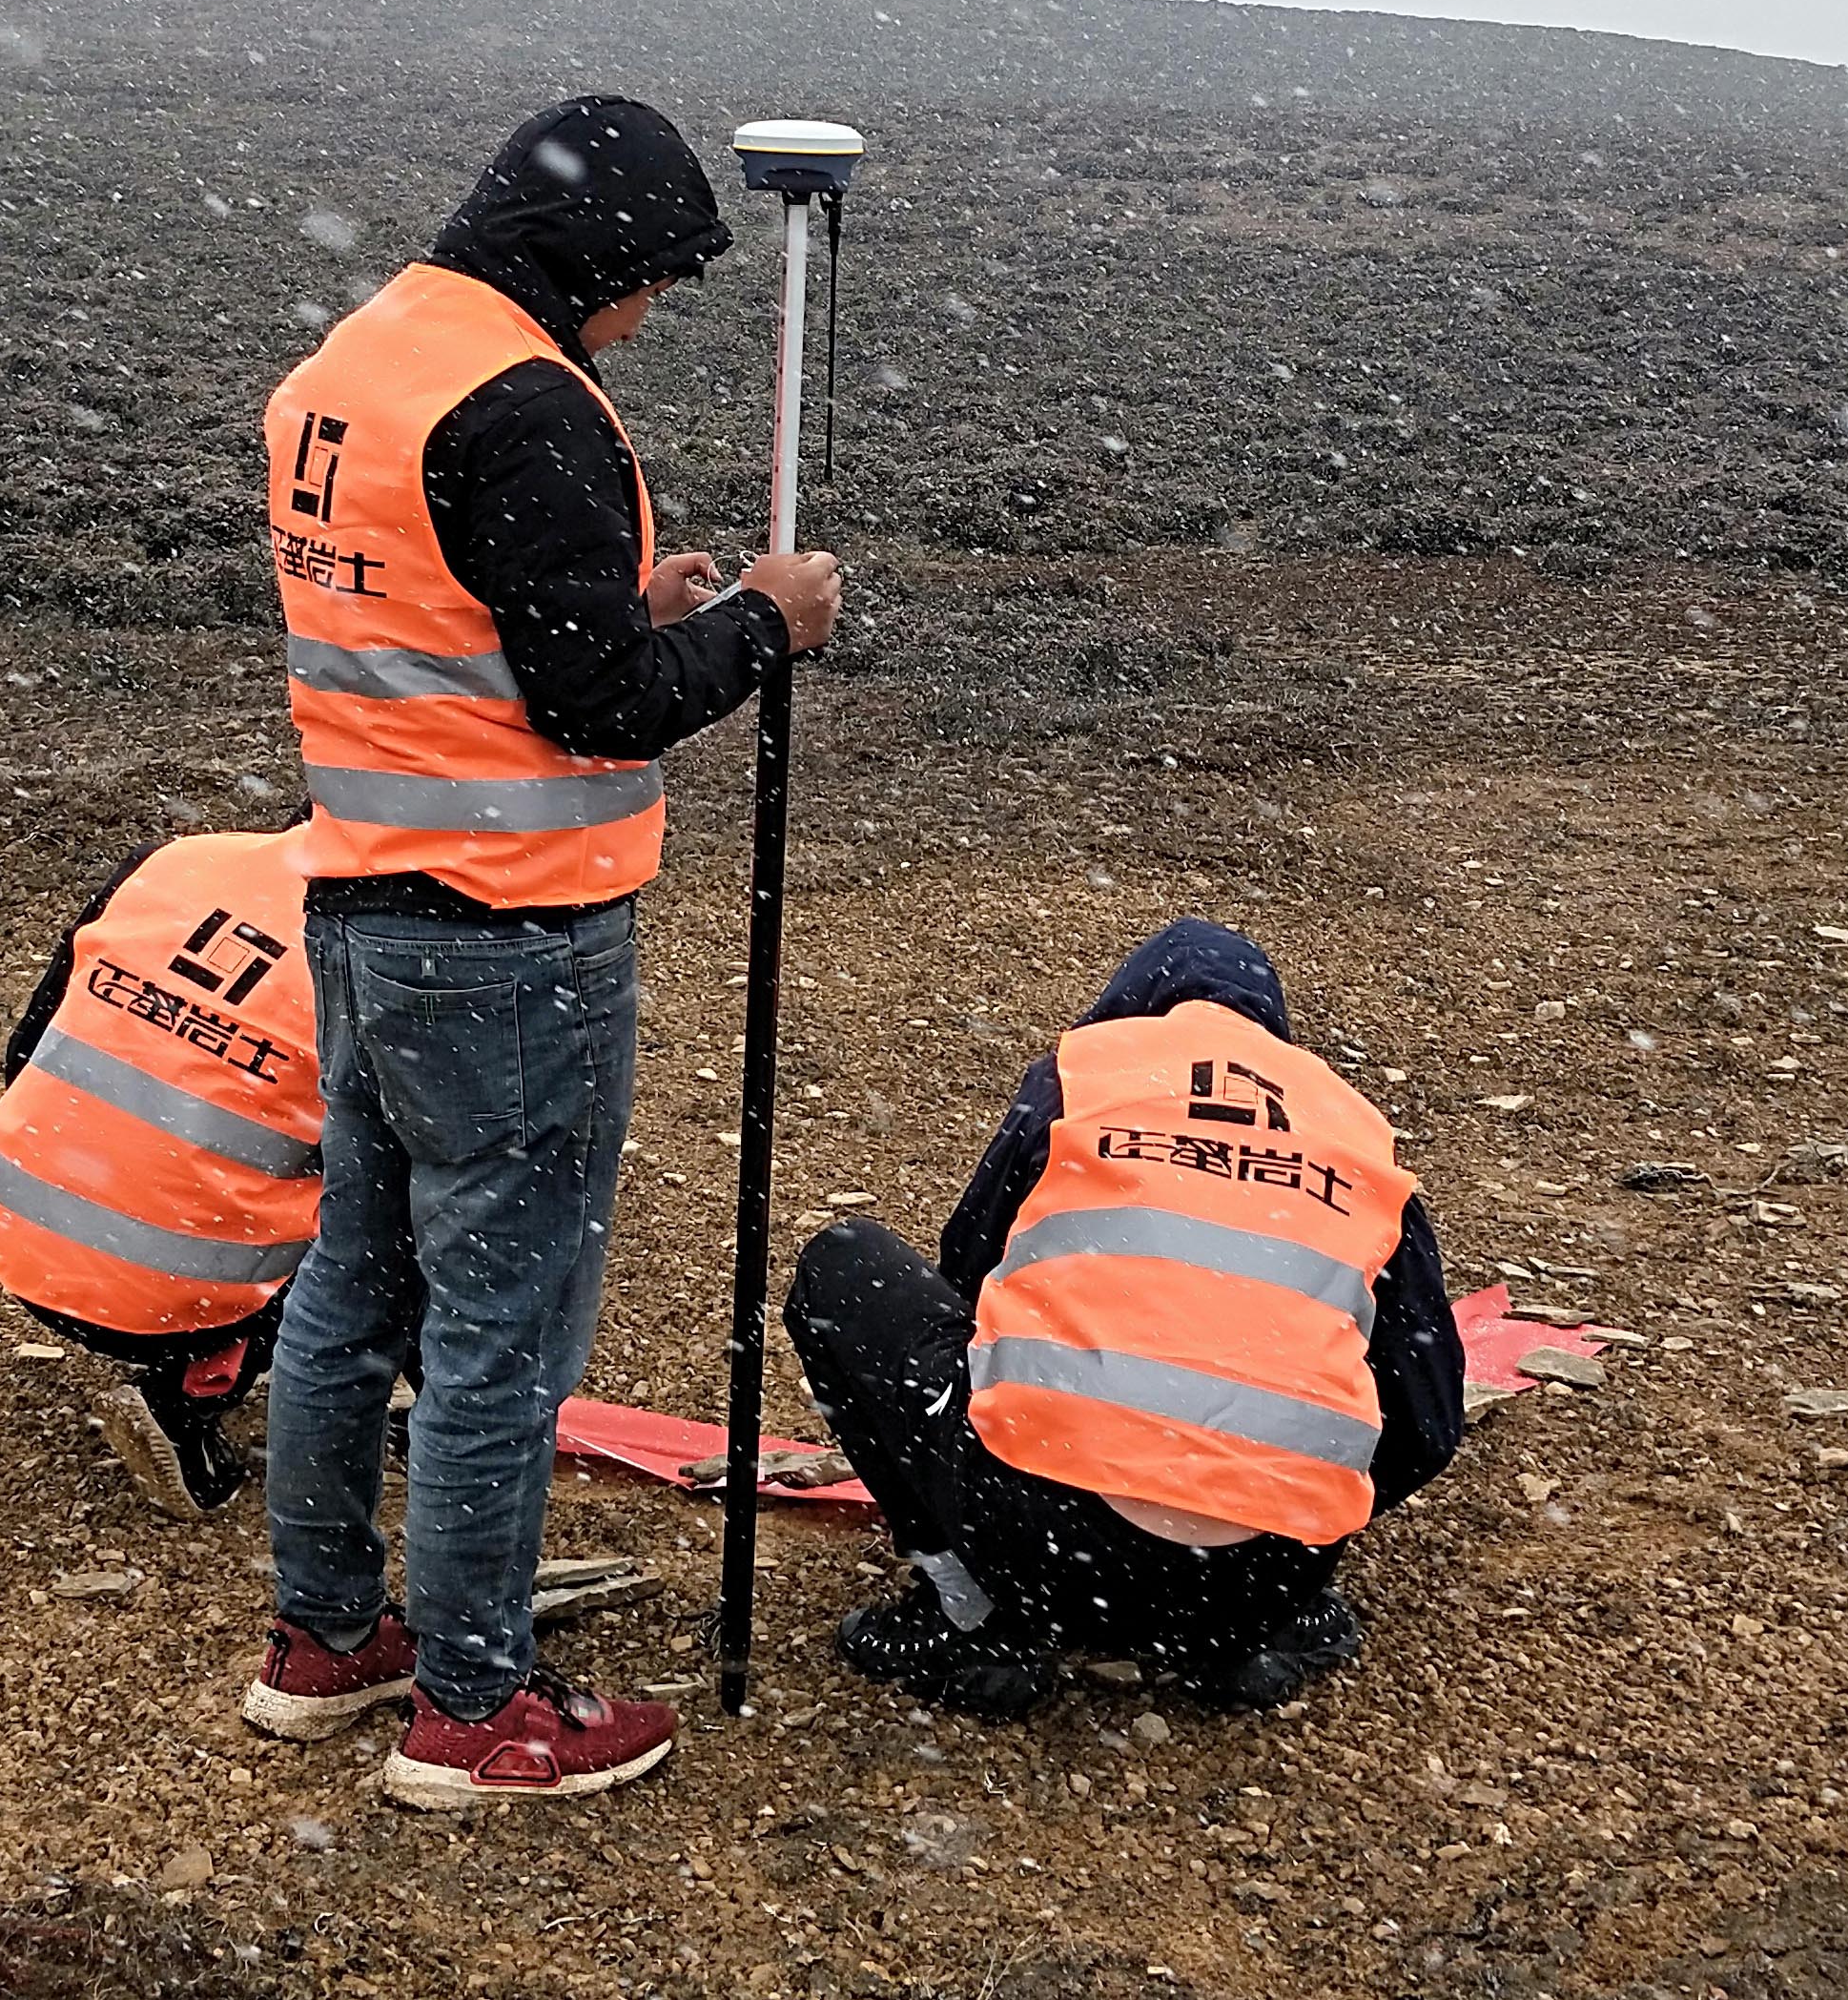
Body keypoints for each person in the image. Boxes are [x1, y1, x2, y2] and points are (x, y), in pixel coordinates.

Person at [244, 94, 842, 1807]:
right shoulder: (526, 410)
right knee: (504, 1328)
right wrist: (756, 627)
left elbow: (444, 616)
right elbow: (598, 709)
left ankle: (325, 1632)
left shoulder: (363, 361)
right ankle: (475, 1706)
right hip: (511, 939)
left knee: (351, 1291)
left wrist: (627, 598)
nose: (645, 318)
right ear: (581, 254)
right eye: (644, 281)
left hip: (363, 901)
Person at [787, 918, 1465, 1718]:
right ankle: (1238, 1639)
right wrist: (1291, 1520)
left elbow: (970, 1281)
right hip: (1261, 1576)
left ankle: (976, 1621)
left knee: (845, 1264)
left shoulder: (1085, 1080)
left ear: (1127, 1010)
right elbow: (1428, 1418)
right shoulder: (1355, 1136)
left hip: (1038, 1535)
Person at [0, 826, 326, 1515]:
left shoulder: (176, 862)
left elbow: (27, 1047)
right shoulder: (394, 956)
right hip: (172, 1294)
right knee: (427, 1210)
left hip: (18, 1222)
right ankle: (192, 1390)